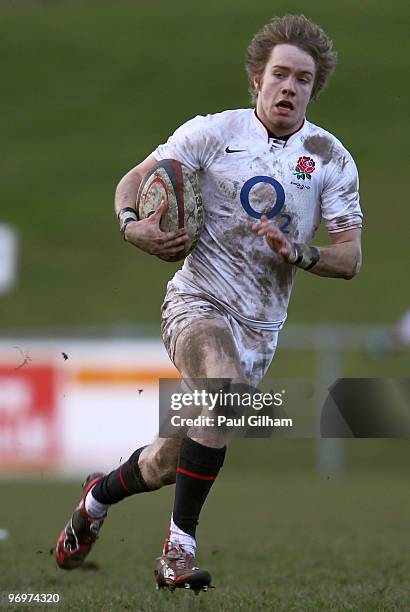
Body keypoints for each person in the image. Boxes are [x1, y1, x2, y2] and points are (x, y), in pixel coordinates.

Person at [55, 14, 363, 593]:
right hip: (197, 305)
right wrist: (131, 225)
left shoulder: (330, 158)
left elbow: (350, 258)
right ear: (256, 80)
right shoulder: (212, 133)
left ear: (313, 90)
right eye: (280, 74)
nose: (290, 87)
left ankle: (95, 498)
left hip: (260, 332)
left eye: (303, 78)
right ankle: (178, 550)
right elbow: (136, 179)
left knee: (165, 462)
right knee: (217, 384)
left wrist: (298, 252)